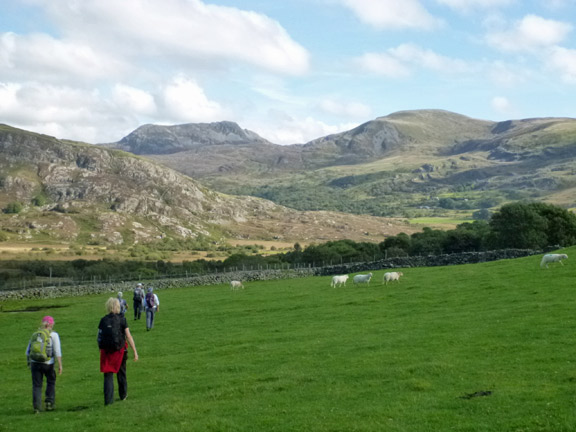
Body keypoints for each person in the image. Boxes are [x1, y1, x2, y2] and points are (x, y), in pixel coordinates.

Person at [98, 297, 138, 405]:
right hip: (120, 350)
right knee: (121, 372)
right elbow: (128, 336)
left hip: (106, 352)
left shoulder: (103, 320)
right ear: (117, 307)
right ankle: (123, 395)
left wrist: (100, 349)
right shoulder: (122, 319)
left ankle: (108, 399)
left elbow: (99, 337)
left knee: (108, 374)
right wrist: (135, 351)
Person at [25, 316, 63, 413]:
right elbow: (57, 350)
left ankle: (37, 407)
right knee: (50, 382)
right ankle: (49, 403)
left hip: (35, 363)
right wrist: (60, 365)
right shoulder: (53, 335)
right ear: (51, 324)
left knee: (37, 385)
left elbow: (28, 350)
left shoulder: (35, 334)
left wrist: (29, 362)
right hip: (48, 363)